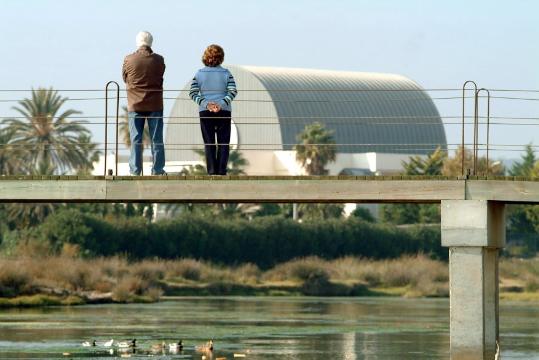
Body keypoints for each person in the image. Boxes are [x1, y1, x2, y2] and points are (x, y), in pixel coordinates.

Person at [122, 31, 166, 175]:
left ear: (137, 42)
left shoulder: (129, 59)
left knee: (136, 138)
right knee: (157, 138)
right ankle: (158, 170)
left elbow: (124, 77)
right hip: (155, 104)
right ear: (151, 43)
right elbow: (160, 76)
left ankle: (135, 171)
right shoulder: (159, 60)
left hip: (135, 104)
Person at [189, 44, 237, 175]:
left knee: (209, 143)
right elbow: (233, 91)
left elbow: (193, 93)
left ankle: (211, 171)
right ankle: (221, 171)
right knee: (224, 142)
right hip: (224, 110)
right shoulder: (226, 73)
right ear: (221, 58)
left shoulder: (199, 74)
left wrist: (207, 104)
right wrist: (220, 104)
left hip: (205, 112)